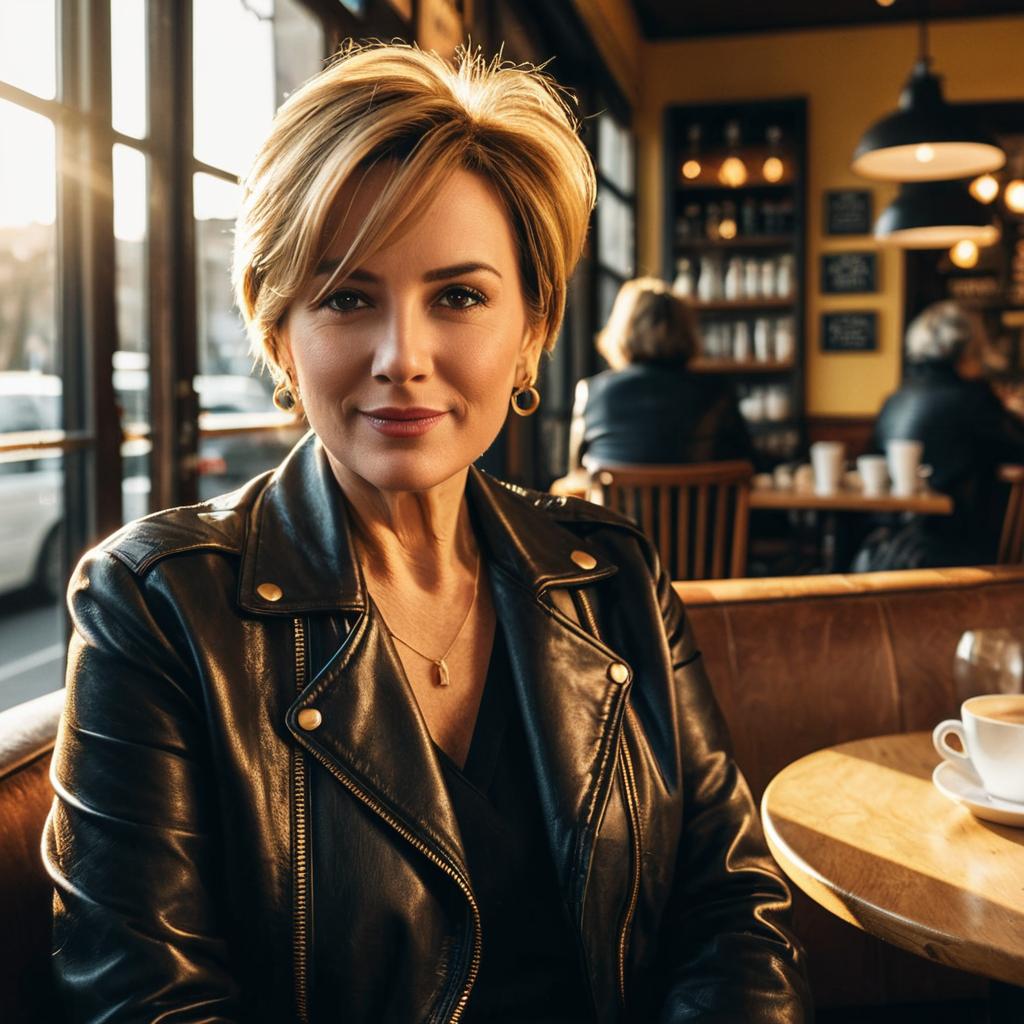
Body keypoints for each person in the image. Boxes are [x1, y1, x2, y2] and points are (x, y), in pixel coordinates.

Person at [43, 43, 811, 1023]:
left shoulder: (614, 572)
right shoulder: (153, 605)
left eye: (458, 295)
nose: (403, 357)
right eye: (348, 297)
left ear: (531, 326)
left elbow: (732, 904)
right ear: (280, 331)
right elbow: (148, 1003)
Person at [853, 300, 1024, 571]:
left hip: (880, 548)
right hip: (951, 551)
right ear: (967, 350)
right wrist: (1013, 413)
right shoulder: (973, 398)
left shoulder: (897, 398)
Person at [567, 277, 752, 471]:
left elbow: (576, 473)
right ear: (687, 331)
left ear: (623, 330)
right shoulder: (717, 390)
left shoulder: (592, 392)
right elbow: (748, 463)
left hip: (612, 502)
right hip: (697, 501)